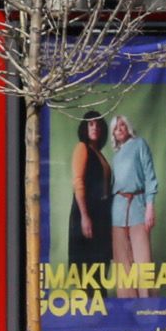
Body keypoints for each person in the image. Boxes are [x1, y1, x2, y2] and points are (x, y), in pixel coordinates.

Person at [109, 112, 157, 283]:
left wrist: (150, 206)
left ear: (127, 127)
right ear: (113, 134)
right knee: (123, 266)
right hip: (118, 210)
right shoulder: (116, 157)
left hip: (138, 206)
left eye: (122, 125)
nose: (119, 129)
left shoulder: (139, 144)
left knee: (143, 263)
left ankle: (147, 307)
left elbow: (150, 176)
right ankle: (126, 306)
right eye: (115, 128)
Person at [66, 113, 115, 275]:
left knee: (100, 268)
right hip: (87, 213)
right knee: (87, 269)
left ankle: (99, 299)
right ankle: (88, 300)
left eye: (98, 125)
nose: (95, 128)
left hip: (101, 215)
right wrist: (85, 217)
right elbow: (78, 183)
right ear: (84, 128)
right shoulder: (82, 147)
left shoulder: (98, 153)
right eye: (91, 124)